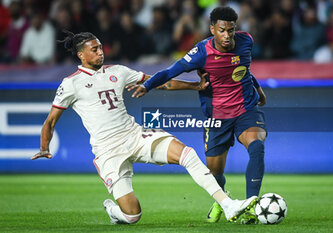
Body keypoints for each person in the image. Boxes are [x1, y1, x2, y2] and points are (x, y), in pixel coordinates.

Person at [30, 31, 257, 225]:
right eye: (94, 49)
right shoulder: (71, 84)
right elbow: (50, 121)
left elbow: (159, 81)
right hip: (108, 150)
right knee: (133, 216)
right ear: (81, 54)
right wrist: (43, 146)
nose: (100, 52)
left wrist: (194, 85)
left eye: (100, 48)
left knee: (186, 153)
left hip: (134, 135)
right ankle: (114, 211)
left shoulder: (117, 71)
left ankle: (227, 205)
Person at [128, 6, 267, 224]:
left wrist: (258, 91)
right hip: (217, 116)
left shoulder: (246, 40)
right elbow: (169, 72)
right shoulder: (201, 52)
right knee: (214, 173)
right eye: (222, 30)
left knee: (257, 146)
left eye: (231, 30)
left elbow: (244, 69)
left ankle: (251, 205)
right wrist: (148, 85)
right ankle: (223, 201)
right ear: (212, 29)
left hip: (246, 109)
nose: (227, 36)